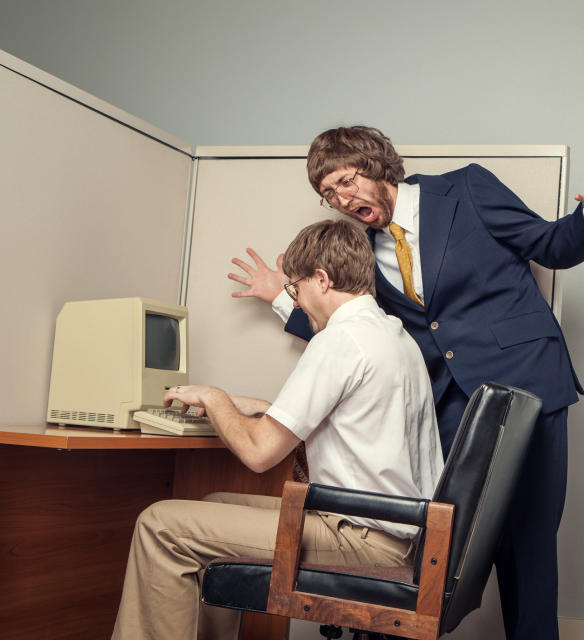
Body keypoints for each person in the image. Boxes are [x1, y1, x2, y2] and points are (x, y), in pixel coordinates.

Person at [229, 126, 584, 640]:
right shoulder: (363, 249)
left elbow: (546, 243)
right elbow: (355, 318)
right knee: (445, 543)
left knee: (528, 539)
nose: (340, 200)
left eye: (345, 182)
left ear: (376, 166)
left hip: (528, 385)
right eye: (328, 194)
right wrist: (282, 297)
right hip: (451, 404)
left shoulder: (467, 190)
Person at [112, 219, 443, 640]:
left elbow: (258, 454)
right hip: (402, 534)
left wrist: (214, 398)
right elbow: (347, 419)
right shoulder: (391, 336)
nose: (297, 302)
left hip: (367, 543)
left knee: (159, 524)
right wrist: (248, 407)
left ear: (321, 280)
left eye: (295, 289)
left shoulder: (341, 340)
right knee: (215, 503)